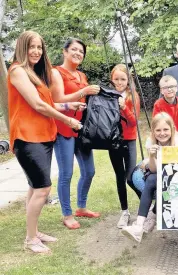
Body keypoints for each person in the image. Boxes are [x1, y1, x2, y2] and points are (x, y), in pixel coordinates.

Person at [8, 31, 83, 253]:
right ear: (22, 47)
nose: (36, 51)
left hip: (42, 136)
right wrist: (67, 120)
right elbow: (38, 106)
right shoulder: (18, 71)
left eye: (40, 47)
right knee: (43, 188)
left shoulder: (34, 73)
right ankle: (30, 240)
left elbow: (48, 103)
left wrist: (69, 106)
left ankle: (34, 232)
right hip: (27, 137)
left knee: (35, 187)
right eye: (32, 47)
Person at [50, 38, 100, 230]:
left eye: (81, 51)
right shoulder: (56, 72)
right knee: (66, 173)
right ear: (65, 51)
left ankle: (81, 207)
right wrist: (84, 91)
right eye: (74, 50)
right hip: (63, 128)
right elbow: (57, 99)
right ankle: (67, 214)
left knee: (89, 171)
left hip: (82, 129)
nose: (78, 53)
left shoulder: (81, 75)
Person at [121, 112, 178, 242]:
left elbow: (174, 170)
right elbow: (154, 169)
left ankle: (147, 219)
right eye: (158, 130)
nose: (162, 133)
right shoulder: (151, 142)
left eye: (166, 129)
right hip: (159, 175)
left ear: (172, 129)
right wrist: (151, 157)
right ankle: (141, 224)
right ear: (153, 131)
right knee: (150, 178)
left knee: (152, 179)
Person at [108, 64, 142, 228]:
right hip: (113, 141)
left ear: (128, 80)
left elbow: (134, 121)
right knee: (119, 177)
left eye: (123, 79)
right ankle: (125, 212)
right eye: (116, 79)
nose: (120, 82)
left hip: (128, 140)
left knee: (131, 178)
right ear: (112, 79)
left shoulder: (132, 96)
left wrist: (123, 107)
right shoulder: (108, 95)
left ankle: (146, 207)